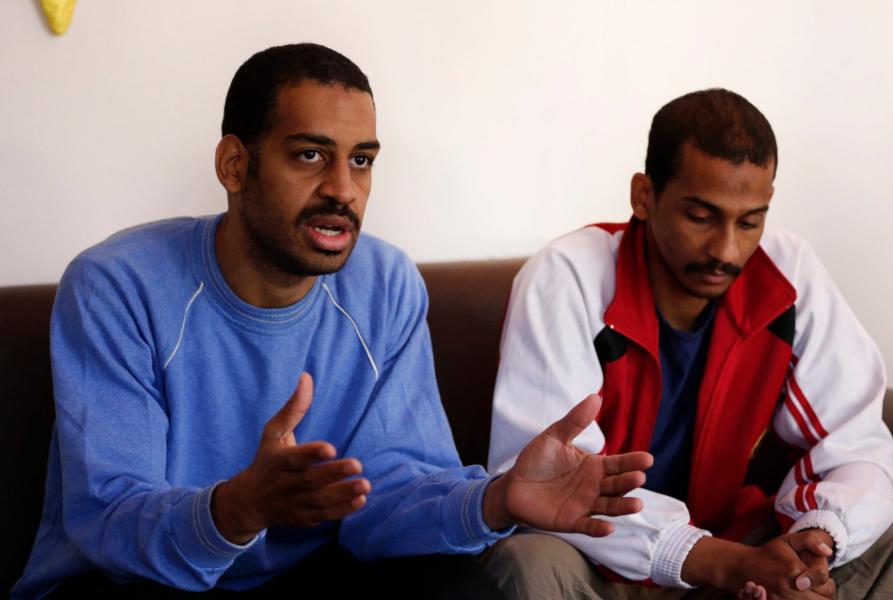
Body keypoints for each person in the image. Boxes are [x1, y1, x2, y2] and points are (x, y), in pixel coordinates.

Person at [11, 43, 654, 599]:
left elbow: (390, 496)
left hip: (303, 575)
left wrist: (495, 498)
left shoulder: (385, 284)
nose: (344, 189)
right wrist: (237, 508)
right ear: (235, 165)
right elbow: (110, 519)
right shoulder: (118, 284)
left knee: (456, 587)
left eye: (363, 160)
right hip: (134, 584)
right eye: (312, 156)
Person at [484, 89, 893, 599]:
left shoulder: (787, 274)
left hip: (735, 543)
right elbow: (552, 487)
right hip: (602, 562)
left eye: (750, 221)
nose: (726, 249)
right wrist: (716, 561)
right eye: (700, 217)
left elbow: (854, 440)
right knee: (527, 561)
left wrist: (815, 544)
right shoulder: (568, 276)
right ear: (644, 195)